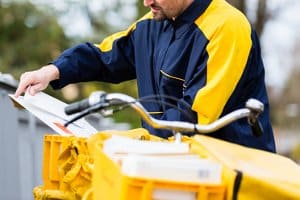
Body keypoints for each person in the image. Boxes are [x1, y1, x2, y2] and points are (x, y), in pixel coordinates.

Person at [15, 0, 276, 152]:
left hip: (236, 178)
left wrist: (121, 142)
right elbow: (104, 56)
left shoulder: (228, 28)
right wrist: (52, 71)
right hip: (174, 170)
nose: (146, 2)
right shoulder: (153, 23)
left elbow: (192, 121)